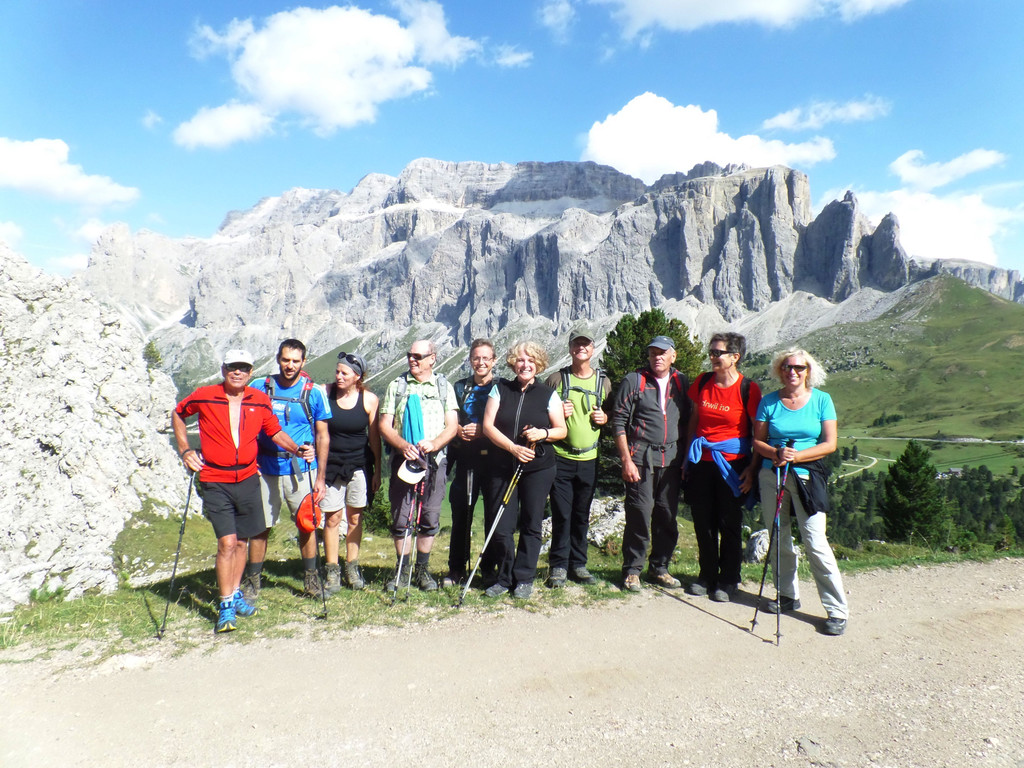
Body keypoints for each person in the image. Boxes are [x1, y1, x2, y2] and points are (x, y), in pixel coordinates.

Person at [172, 349, 312, 633]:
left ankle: (235, 593)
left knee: (242, 543)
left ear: (250, 372)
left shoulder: (259, 400)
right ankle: (225, 605)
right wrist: (185, 450)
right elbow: (177, 414)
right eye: (232, 367)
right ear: (223, 369)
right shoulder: (204, 394)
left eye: (243, 368)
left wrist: (297, 449)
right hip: (215, 479)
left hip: (248, 477)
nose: (237, 372)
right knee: (227, 542)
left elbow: (275, 432)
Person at [752, 348, 848, 636]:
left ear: (809, 371)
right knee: (778, 536)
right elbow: (758, 442)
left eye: (799, 367)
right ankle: (787, 596)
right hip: (773, 474)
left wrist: (796, 457)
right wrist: (777, 452)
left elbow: (829, 444)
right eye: (786, 367)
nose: (792, 372)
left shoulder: (821, 400)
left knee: (815, 541)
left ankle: (837, 610)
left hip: (807, 477)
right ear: (779, 370)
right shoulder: (769, 401)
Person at [243, 339, 331, 602]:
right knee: (261, 526)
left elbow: (323, 435)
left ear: (303, 361)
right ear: (278, 359)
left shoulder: (313, 392)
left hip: (301, 468)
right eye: (285, 360)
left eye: (295, 361)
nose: (289, 365)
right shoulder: (259, 387)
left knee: (307, 525)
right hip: (265, 467)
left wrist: (321, 477)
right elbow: (246, 425)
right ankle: (253, 580)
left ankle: (311, 579)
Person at [481, 341, 567, 599]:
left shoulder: (547, 394)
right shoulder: (500, 389)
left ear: (538, 365)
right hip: (503, 466)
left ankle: (524, 578)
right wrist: (512, 448)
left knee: (531, 523)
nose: (525, 365)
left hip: (538, 468)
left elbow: (561, 430)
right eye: (520, 360)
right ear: (512, 363)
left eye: (531, 361)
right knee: (502, 527)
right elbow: (487, 426)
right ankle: (504, 577)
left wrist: (543, 433)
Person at [684, 332, 762, 602]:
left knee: (729, 522)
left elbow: (757, 433)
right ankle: (706, 575)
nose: (713, 357)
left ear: (735, 357)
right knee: (703, 522)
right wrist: (687, 458)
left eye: (719, 353)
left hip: (733, 465)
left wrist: (751, 470)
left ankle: (729, 579)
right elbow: (695, 418)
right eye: (712, 352)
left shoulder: (748, 389)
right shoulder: (703, 382)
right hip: (702, 461)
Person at [612, 336, 691, 592]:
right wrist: (626, 460)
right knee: (639, 512)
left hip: (671, 458)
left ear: (673, 356)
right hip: (641, 458)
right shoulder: (634, 380)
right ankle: (632, 570)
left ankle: (660, 567)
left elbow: (688, 421)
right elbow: (619, 422)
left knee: (667, 514)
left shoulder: (681, 382)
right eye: (653, 352)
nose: (657, 356)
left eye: (662, 352)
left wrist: (687, 458)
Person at [378, 339, 458, 591]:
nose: (412, 359)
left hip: (435, 460)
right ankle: (402, 571)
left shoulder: (444, 386)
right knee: (401, 517)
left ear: (432, 358)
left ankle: (422, 570)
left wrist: (435, 443)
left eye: (418, 356)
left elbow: (452, 426)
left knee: (430, 515)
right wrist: (402, 445)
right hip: (405, 460)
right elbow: (384, 425)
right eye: (409, 355)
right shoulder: (397, 385)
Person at [544, 326, 610, 588]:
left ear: (592, 349)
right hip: (561, 457)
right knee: (562, 513)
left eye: (586, 344)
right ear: (570, 348)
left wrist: (604, 418)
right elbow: (541, 416)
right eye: (576, 344)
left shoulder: (603, 382)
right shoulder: (556, 380)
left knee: (582, 513)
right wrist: (558, 412)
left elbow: (612, 415)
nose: (581, 348)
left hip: (590, 459)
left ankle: (578, 565)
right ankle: (559, 566)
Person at [314, 351, 381, 593]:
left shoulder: (369, 400)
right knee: (332, 518)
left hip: (359, 465)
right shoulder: (324, 392)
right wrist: (319, 475)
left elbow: (374, 439)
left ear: (357, 377)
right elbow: (319, 433)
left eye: (344, 373)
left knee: (355, 517)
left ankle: (352, 566)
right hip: (331, 465)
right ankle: (332, 570)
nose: (338, 376)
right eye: (337, 371)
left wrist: (377, 470)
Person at [443, 339, 497, 588]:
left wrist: (483, 432)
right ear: (470, 360)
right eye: (476, 358)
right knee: (461, 514)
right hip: (465, 459)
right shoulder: (460, 387)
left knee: (492, 516)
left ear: (493, 360)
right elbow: (450, 420)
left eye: (486, 358)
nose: (481, 362)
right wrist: (459, 430)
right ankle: (456, 568)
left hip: (495, 460)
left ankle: (488, 568)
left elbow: (506, 422)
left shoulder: (501, 387)